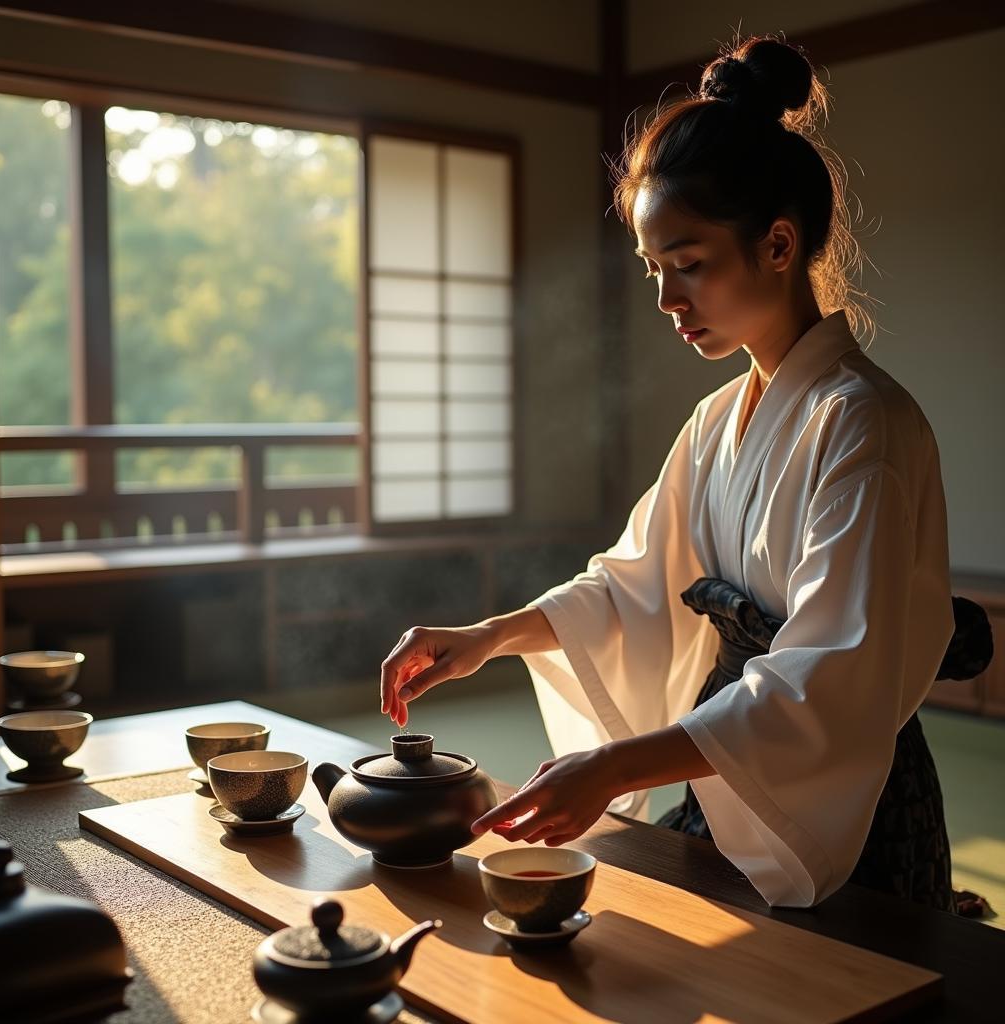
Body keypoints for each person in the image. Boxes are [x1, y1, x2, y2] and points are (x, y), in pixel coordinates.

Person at [378, 36, 984, 911]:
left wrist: (618, 765)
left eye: (689, 265)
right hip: (725, 764)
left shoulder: (864, 423)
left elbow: (825, 683)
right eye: (654, 270)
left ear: (778, 244)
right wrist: (490, 636)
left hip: (840, 795)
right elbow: (635, 587)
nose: (667, 300)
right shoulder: (716, 421)